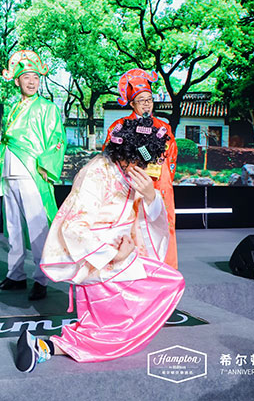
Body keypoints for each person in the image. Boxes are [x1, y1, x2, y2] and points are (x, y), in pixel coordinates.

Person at [15, 116, 185, 371]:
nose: (141, 167)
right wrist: (113, 255)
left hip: (125, 255)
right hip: (99, 259)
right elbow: (74, 226)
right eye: (138, 161)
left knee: (166, 286)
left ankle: (45, 347)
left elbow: (145, 217)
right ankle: (46, 347)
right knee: (113, 330)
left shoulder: (130, 170)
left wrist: (151, 195)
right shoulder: (96, 172)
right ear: (124, 154)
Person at [0, 50, 66, 301]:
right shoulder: (14, 108)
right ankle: (15, 275)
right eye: (26, 77)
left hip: (32, 172)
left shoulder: (47, 108)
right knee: (13, 226)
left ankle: (42, 278)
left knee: (37, 226)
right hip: (10, 172)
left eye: (35, 77)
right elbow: (6, 140)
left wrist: (46, 165)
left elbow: (57, 140)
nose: (32, 82)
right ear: (17, 81)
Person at [104, 68, 179, 269]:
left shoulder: (163, 126)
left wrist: (160, 171)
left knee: (161, 225)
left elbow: (171, 154)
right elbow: (108, 155)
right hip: (129, 184)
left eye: (149, 99)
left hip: (157, 185)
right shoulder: (119, 126)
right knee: (131, 227)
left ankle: (163, 271)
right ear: (131, 103)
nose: (146, 104)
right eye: (141, 100)